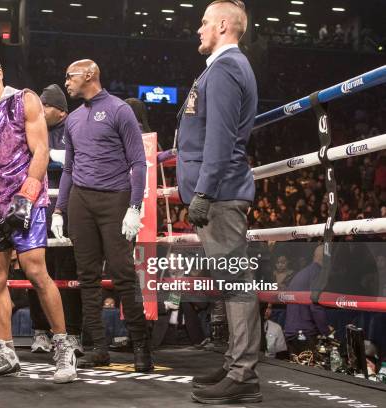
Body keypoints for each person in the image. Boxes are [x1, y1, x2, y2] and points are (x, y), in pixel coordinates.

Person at [0, 52, 77, 383]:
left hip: (26, 203)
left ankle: (63, 349)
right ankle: (6, 354)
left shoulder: (23, 100)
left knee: (37, 272)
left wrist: (26, 197)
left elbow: (40, 151)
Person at [175, 1, 262, 404]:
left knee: (236, 282)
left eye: (205, 22)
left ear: (223, 26)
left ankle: (243, 374)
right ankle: (234, 364)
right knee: (230, 283)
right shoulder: (222, 68)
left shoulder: (226, 69)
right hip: (219, 191)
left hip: (221, 193)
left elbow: (221, 138)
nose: (198, 29)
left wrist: (206, 191)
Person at [51, 59, 153, 372]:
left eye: (70, 76)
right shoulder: (73, 119)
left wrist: (135, 206)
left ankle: (141, 349)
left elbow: (139, 162)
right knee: (87, 277)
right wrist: (59, 209)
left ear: (90, 74)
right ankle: (98, 347)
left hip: (115, 199)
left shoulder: (120, 110)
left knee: (123, 273)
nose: (66, 82)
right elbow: (68, 168)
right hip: (81, 200)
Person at [28, 84, 82, 355]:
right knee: (36, 270)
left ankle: (72, 333)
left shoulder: (74, 127)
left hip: (68, 211)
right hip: (38, 211)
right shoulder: (33, 128)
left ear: (60, 110)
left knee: (68, 273)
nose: (39, 110)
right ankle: (40, 331)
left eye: (45, 106)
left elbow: (80, 159)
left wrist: (50, 155)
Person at [284, 245, 332, 356]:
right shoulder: (317, 273)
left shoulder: (303, 273)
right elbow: (315, 305)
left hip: (293, 331)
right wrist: (326, 331)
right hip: (304, 331)